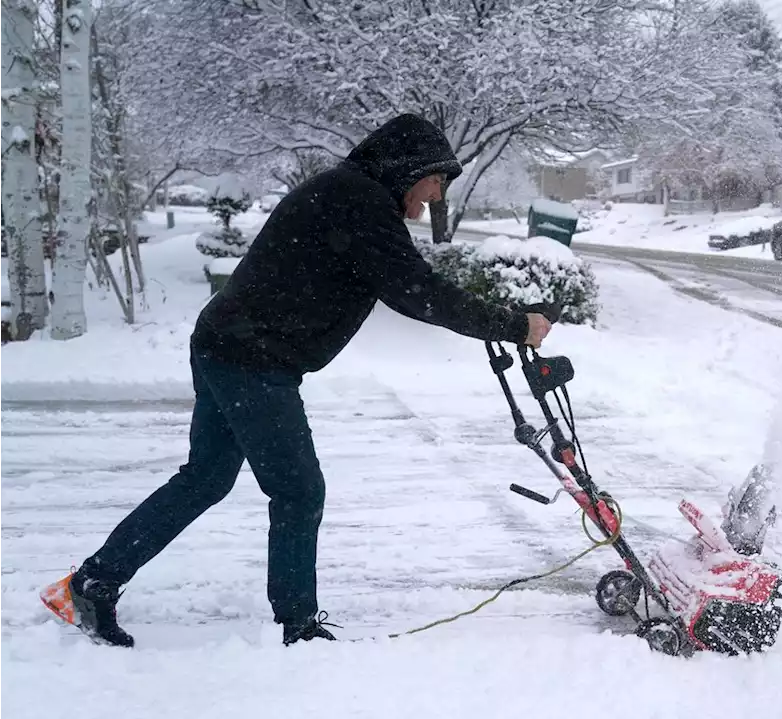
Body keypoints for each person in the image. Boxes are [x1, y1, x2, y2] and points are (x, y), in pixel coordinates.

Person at [39, 114, 553, 648]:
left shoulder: (350, 193)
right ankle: (297, 625)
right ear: (410, 169)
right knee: (298, 490)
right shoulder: (360, 202)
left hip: (228, 344)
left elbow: (409, 284)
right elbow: (418, 291)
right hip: (252, 359)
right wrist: (515, 325)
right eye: (437, 180)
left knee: (206, 479)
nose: (438, 195)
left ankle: (91, 583)